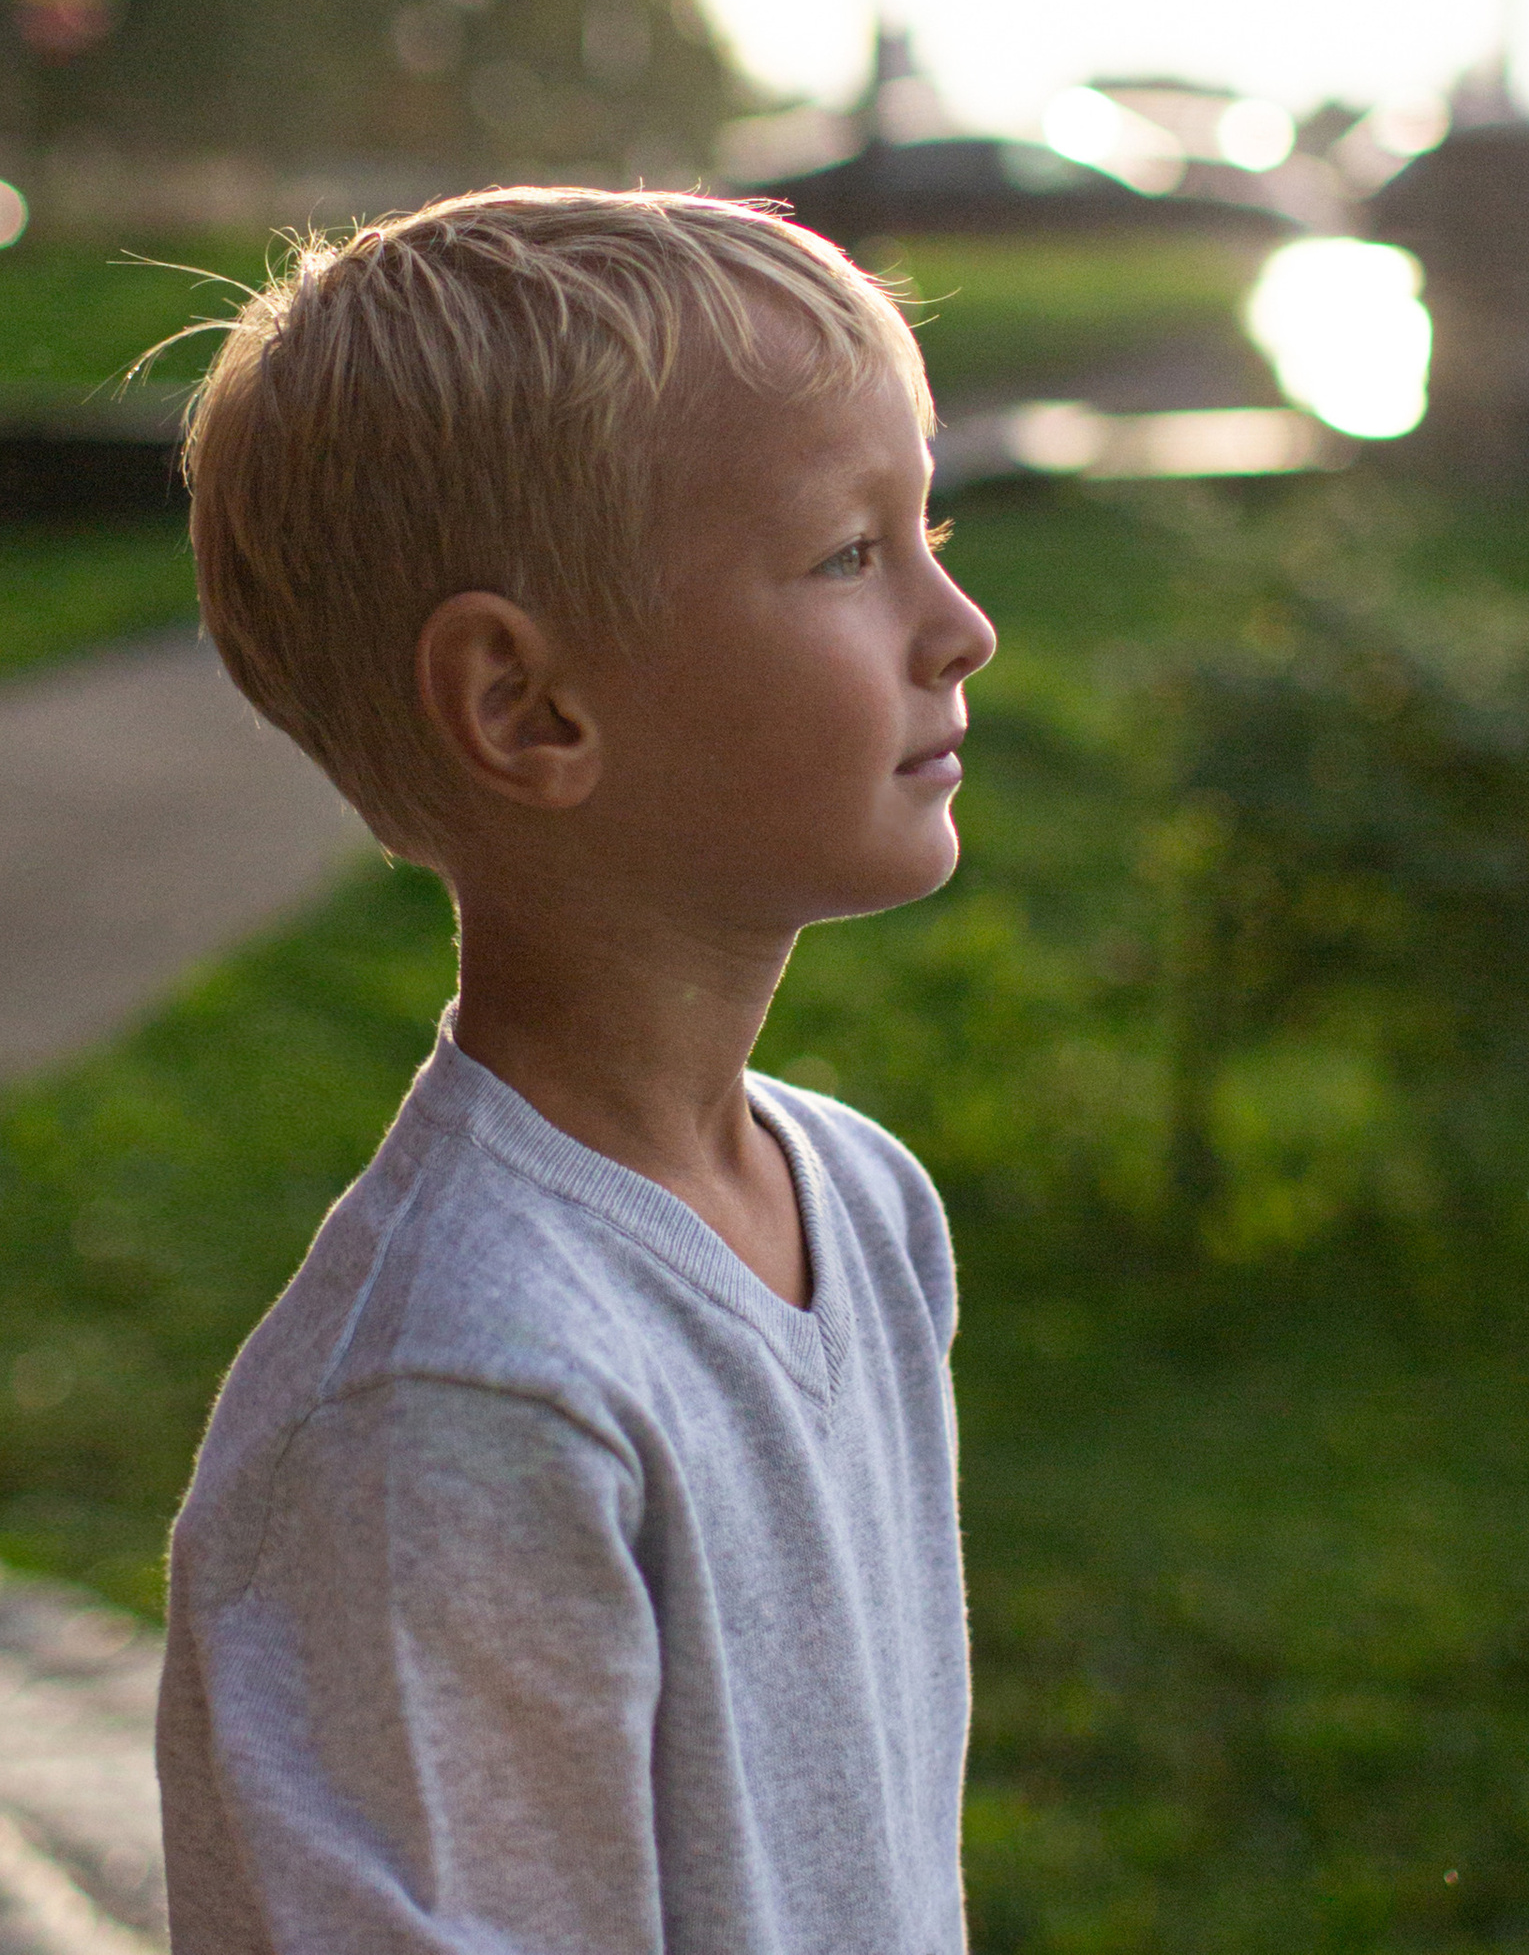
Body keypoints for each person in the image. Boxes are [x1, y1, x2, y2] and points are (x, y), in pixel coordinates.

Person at [155, 186, 997, 1955]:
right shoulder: (467, 1396)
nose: (960, 626)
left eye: (928, 526)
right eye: (851, 555)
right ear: (530, 710)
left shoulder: (861, 1204)